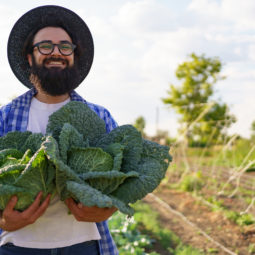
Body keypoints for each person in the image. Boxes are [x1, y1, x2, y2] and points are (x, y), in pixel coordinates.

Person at [0, 5, 119, 255]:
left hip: (84, 245)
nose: (56, 53)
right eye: (45, 46)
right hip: (18, 246)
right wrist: (2, 221)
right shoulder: (5, 118)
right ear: (30, 57)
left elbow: (124, 179)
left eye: (65, 47)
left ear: (74, 57)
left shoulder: (99, 116)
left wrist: (108, 208)